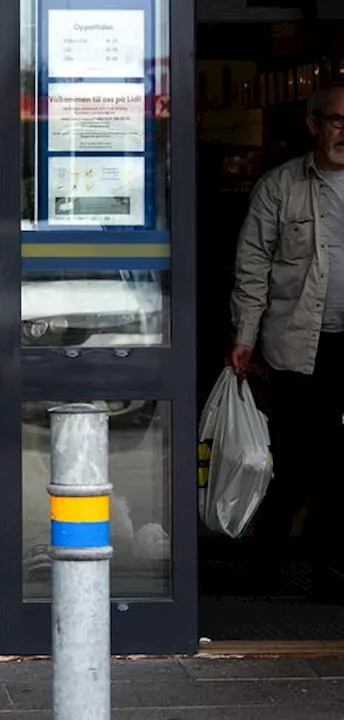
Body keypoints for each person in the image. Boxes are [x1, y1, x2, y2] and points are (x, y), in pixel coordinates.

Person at [229, 84, 344, 599]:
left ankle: (329, 573)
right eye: (338, 120)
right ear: (313, 124)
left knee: (338, 466)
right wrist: (244, 338)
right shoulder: (280, 187)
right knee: (292, 461)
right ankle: (266, 571)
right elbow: (252, 268)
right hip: (299, 345)